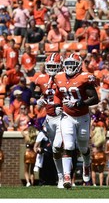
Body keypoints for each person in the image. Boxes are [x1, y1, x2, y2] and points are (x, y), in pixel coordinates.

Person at [54, 53, 99, 189]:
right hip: (67, 116)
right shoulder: (59, 77)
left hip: (83, 116)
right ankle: (67, 176)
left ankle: (86, 164)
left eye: (72, 64)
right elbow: (57, 93)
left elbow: (95, 98)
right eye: (67, 64)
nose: (69, 67)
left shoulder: (85, 77)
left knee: (83, 147)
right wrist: (57, 106)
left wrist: (80, 103)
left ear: (79, 66)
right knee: (68, 146)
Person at [33, 53, 65, 189]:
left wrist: (63, 107)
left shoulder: (65, 78)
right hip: (50, 117)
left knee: (60, 146)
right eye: (50, 66)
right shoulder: (41, 79)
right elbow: (38, 93)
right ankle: (59, 177)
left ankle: (64, 177)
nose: (52, 68)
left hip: (64, 117)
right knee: (54, 149)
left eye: (54, 66)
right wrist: (40, 99)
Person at [20, 121, 38, 187]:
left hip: (27, 153)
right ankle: (32, 183)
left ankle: (28, 182)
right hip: (33, 154)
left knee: (26, 170)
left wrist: (25, 128)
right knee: (32, 170)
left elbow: (21, 132)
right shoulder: (35, 137)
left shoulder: (26, 136)